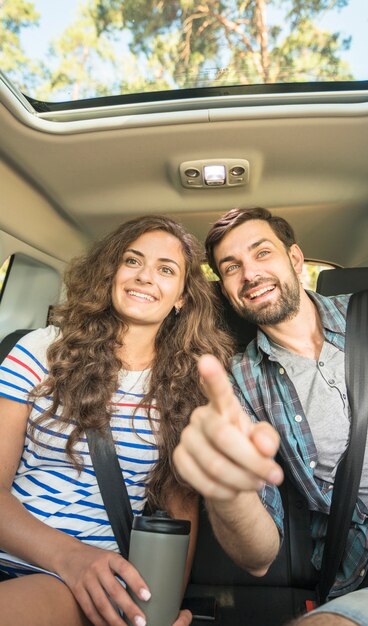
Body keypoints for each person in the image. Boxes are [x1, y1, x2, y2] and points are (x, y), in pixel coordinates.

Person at [173, 207, 368, 626]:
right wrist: (226, 490)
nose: (250, 274)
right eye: (231, 267)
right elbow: (258, 557)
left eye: (262, 253)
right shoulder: (240, 385)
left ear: (296, 260)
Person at [0, 215, 234, 626]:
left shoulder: (190, 385)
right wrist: (68, 556)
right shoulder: (38, 350)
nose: (145, 276)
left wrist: (159, 611)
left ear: (181, 296)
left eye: (166, 269)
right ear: (111, 273)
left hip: (86, 583)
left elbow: (180, 512)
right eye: (132, 261)